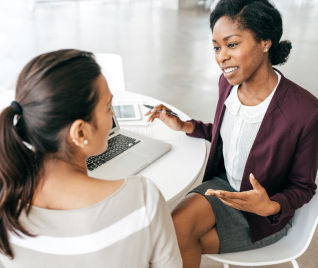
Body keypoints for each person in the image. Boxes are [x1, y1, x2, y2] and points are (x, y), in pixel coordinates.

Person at [146, 0, 318, 267]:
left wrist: (269, 206)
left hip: (262, 215)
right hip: (223, 187)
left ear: (265, 42)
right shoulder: (226, 85)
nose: (221, 56)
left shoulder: (306, 110)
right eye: (216, 47)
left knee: (176, 239)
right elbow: (234, 134)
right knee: (169, 233)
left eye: (232, 44)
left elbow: (303, 187)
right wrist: (185, 126)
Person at [0, 49, 182, 268]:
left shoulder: (6, 204)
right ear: (80, 133)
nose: (112, 115)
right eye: (107, 108)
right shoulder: (142, 199)